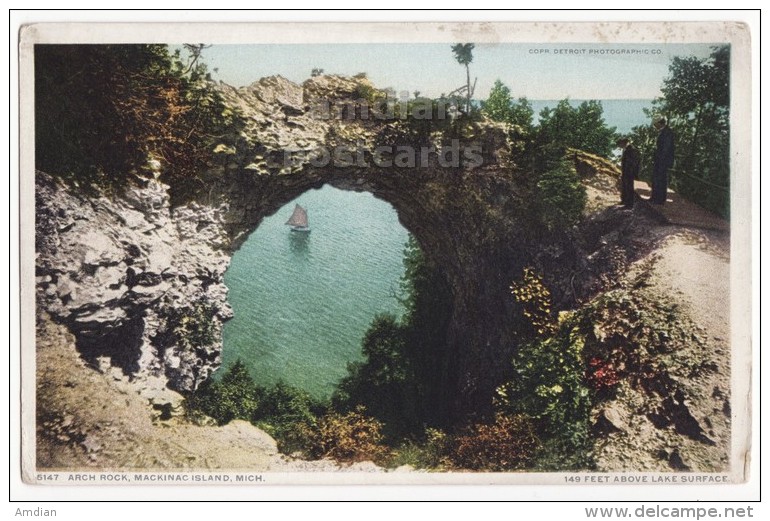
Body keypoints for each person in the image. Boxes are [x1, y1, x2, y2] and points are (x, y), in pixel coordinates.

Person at [651, 116, 675, 205]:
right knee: (656, 179)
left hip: (663, 160)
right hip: (659, 159)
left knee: (661, 180)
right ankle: (654, 198)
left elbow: (666, 148)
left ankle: (659, 200)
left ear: (659, 123)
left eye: (655, 124)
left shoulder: (668, 132)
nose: (654, 126)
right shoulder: (663, 132)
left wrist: (660, 159)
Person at [617, 137, 640, 208]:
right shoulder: (627, 149)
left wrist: (631, 172)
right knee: (625, 187)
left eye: (620, 144)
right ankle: (625, 201)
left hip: (629, 172)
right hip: (626, 171)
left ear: (623, 143)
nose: (619, 146)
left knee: (629, 188)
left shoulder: (631, 149)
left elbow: (632, 162)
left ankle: (629, 204)